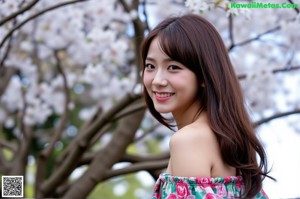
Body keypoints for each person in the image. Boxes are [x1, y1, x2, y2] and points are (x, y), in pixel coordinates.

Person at [141, 14, 274, 199]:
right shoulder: (227, 140)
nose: (157, 80)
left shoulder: (189, 140)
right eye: (150, 66)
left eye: (173, 67)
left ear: (204, 75)